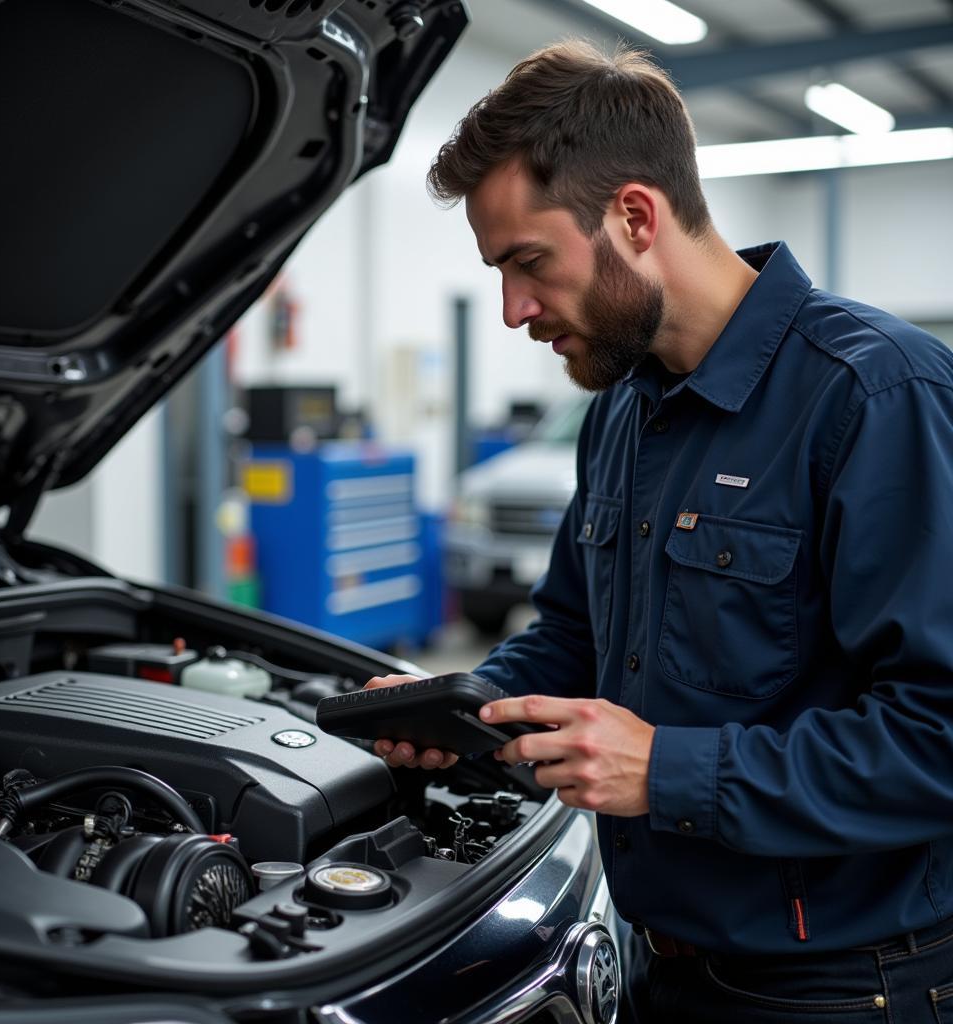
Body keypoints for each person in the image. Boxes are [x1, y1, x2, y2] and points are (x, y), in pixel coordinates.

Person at [367, 39, 953, 1022]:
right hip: (654, 962)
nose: (513, 310)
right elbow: (571, 637)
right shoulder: (623, 410)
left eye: (528, 263)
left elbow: (937, 735)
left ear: (634, 216)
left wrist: (670, 768)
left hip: (849, 988)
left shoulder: (874, 398)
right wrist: (466, 708)